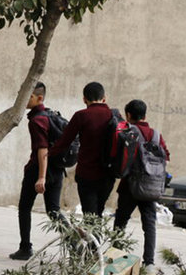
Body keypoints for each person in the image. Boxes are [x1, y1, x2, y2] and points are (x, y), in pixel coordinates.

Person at [112, 99, 170, 271]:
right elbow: (165, 156)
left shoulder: (130, 132)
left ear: (129, 115)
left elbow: (123, 157)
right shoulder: (156, 135)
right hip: (151, 187)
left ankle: (115, 259)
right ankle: (149, 263)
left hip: (130, 186)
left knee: (120, 223)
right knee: (149, 224)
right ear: (145, 115)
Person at [11, 82, 65, 260]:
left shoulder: (37, 120)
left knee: (24, 208)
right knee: (54, 212)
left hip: (38, 170)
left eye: (29, 95)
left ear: (39, 98)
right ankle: (76, 244)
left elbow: (42, 149)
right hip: (57, 170)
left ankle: (25, 248)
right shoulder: (50, 115)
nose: (24, 98)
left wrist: (41, 177)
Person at [50, 81, 117, 215]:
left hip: (87, 173)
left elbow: (65, 141)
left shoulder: (81, 116)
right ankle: (97, 235)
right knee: (98, 212)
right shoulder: (114, 115)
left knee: (89, 214)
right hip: (108, 174)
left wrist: (49, 154)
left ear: (84, 99)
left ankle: (92, 236)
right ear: (104, 98)